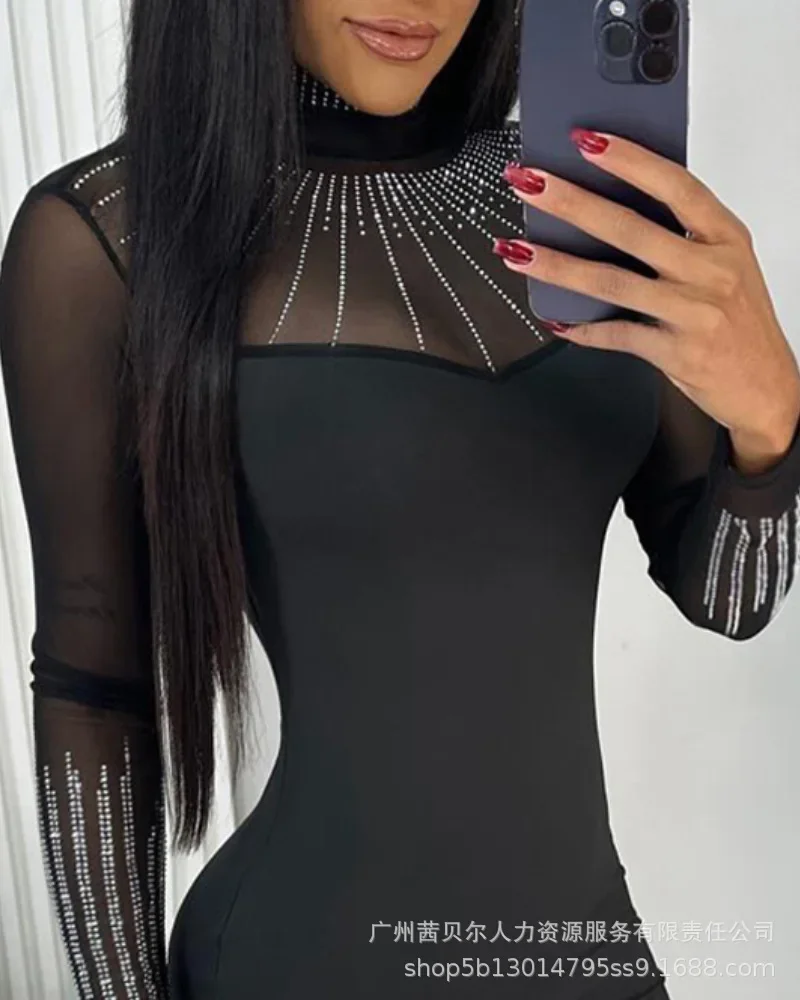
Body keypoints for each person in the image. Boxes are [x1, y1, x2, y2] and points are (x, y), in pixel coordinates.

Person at [1, 1, 799, 997]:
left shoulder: (587, 204)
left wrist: (771, 421)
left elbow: (729, 599)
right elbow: (92, 691)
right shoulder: (110, 237)